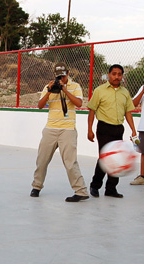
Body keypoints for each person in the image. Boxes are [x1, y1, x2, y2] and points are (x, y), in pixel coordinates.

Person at [30, 62, 89, 202]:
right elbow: (39, 106)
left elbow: (79, 103)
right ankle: (36, 186)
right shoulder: (48, 86)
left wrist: (65, 89)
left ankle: (81, 191)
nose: (60, 78)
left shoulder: (75, 86)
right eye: (58, 76)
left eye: (62, 76)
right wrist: (50, 90)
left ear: (67, 74)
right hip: (50, 128)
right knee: (42, 160)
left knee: (70, 162)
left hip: (68, 129)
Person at [87, 64, 137, 198]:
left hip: (118, 129)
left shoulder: (125, 92)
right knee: (105, 158)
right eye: (114, 74)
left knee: (118, 158)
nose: (116, 76)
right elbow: (92, 110)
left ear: (122, 76)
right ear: (109, 75)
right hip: (104, 128)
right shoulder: (99, 90)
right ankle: (95, 186)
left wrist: (133, 129)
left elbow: (128, 112)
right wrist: (89, 130)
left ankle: (111, 189)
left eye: (119, 74)